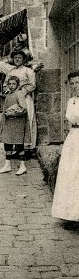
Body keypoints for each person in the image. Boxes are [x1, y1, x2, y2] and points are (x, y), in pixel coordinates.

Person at [51, 70, 79, 228]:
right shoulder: (71, 101)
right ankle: (71, 215)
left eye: (78, 83)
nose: (76, 86)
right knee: (70, 174)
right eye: (73, 83)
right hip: (73, 139)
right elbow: (69, 124)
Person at [4, 48, 37, 158]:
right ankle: (17, 147)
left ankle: (28, 148)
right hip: (13, 100)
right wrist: (9, 90)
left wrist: (22, 92)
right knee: (15, 122)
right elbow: (5, 85)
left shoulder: (28, 71)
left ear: (23, 59)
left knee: (27, 120)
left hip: (25, 98)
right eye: (16, 58)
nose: (17, 60)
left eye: (20, 58)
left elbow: (32, 85)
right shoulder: (11, 72)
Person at [0, 76, 27, 175]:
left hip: (17, 123)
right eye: (10, 84)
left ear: (17, 85)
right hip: (9, 123)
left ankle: (22, 166)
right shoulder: (9, 94)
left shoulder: (19, 94)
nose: (11, 86)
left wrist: (12, 113)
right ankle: (7, 164)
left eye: (14, 84)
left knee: (19, 144)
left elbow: (23, 109)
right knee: (8, 143)